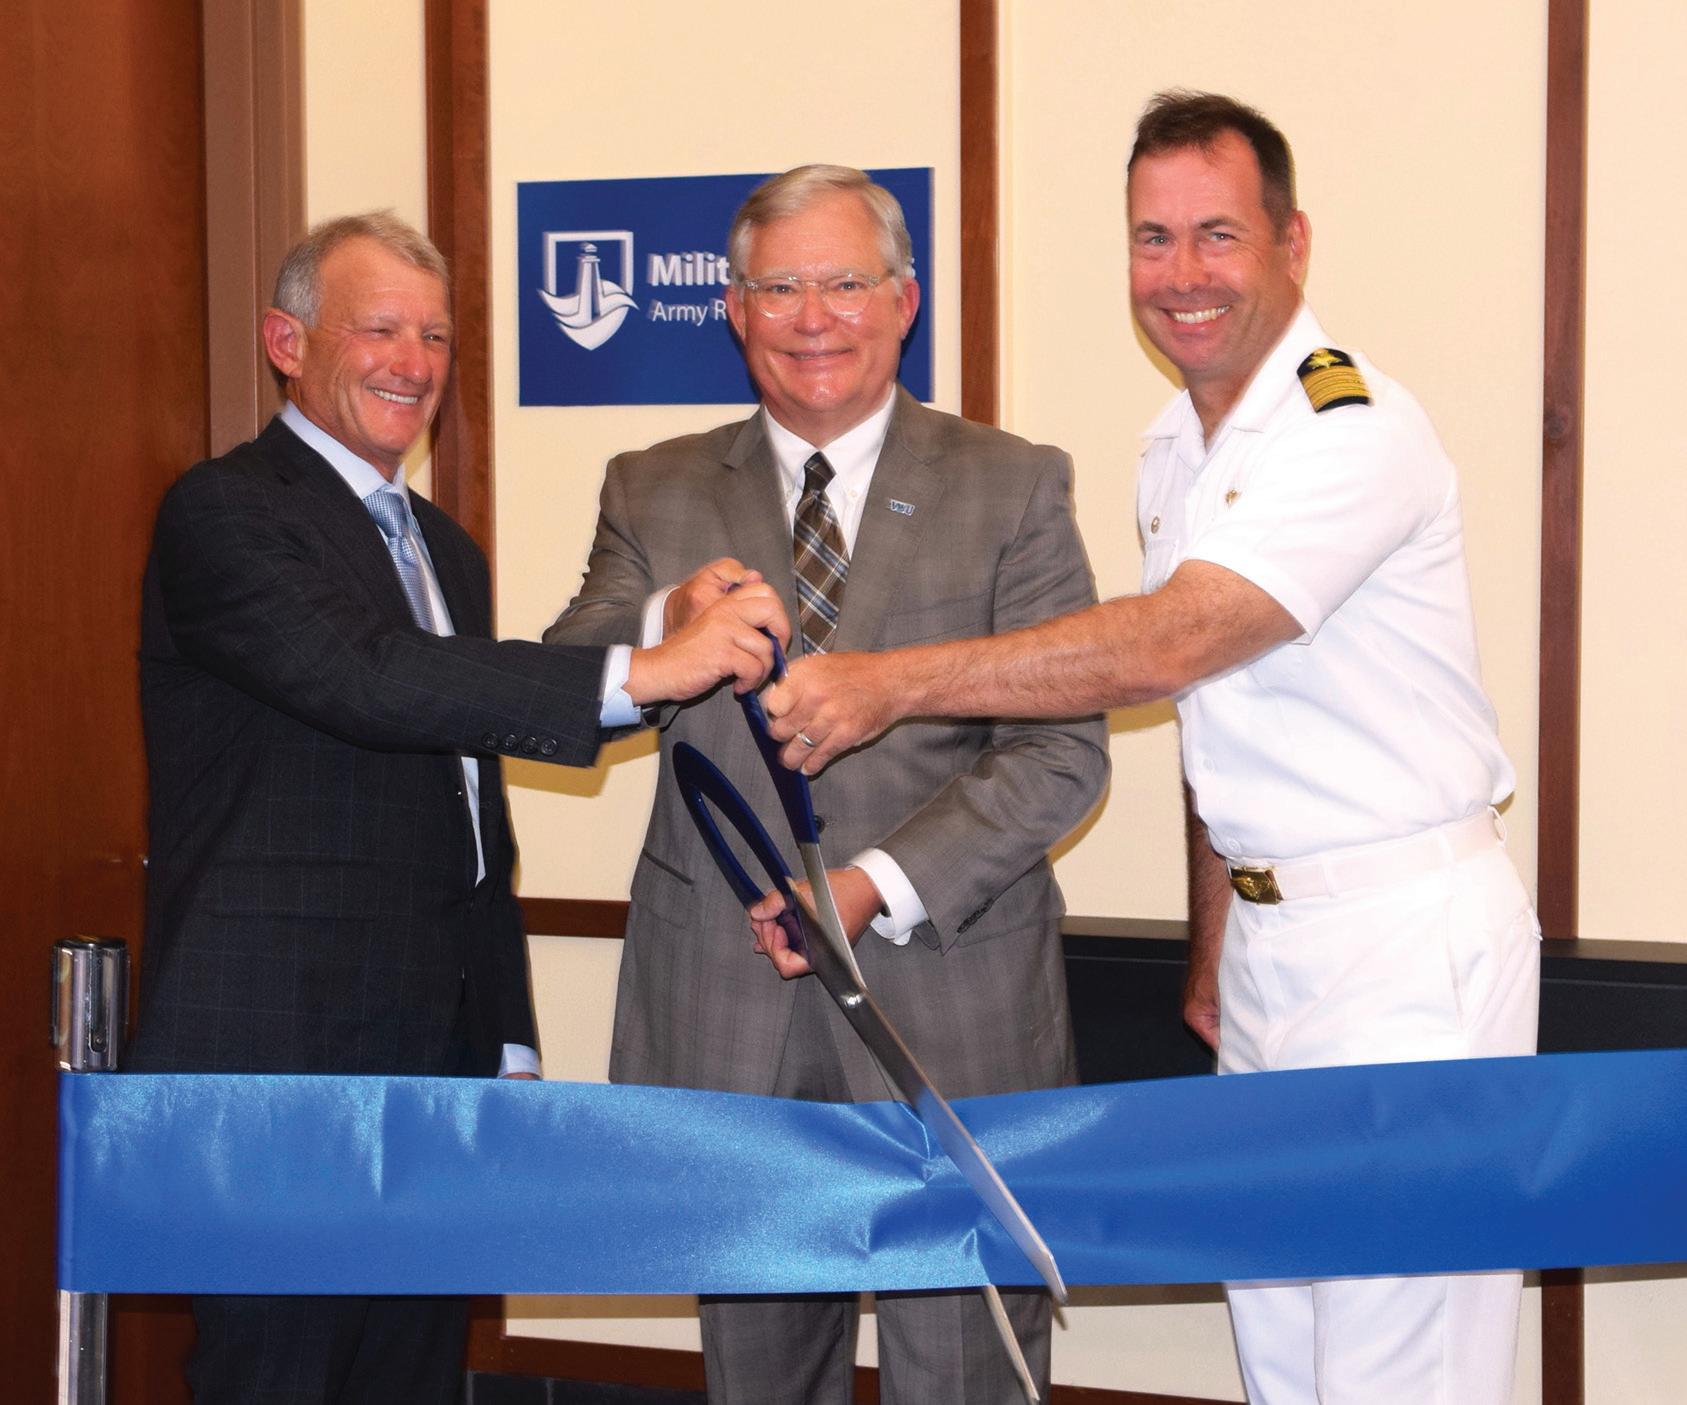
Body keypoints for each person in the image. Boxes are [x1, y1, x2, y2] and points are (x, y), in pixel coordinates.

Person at [759, 98, 1540, 1405]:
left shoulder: (1350, 426)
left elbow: (1176, 642)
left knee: (1396, 1360)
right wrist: (1214, 934)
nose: (1181, 273)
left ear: (1292, 242)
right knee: (1280, 1348)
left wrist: (892, 682)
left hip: (1402, 942)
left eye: (1216, 235)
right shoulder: (1176, 448)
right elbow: (1223, 716)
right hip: (1275, 945)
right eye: (1152, 238)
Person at [130, 210, 785, 1405]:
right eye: (378, 328)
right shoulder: (223, 512)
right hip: (278, 1067)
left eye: (434, 336)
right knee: (275, 1378)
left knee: (414, 1373)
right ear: (287, 342)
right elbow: (366, 678)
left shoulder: (444, 547)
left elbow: (468, 797)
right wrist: (649, 669)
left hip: (434, 1059)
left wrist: (506, 1035)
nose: (413, 362)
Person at [543, 165, 1108, 1405]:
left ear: (903, 300)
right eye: (779, 287)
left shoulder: (1014, 483)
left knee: (964, 1370)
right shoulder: (652, 483)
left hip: (951, 994)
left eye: (846, 283)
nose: (813, 317)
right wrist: (665, 620)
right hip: (724, 1000)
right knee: (756, 1373)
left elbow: (1062, 752)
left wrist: (872, 884)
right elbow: (561, 683)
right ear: (732, 308)